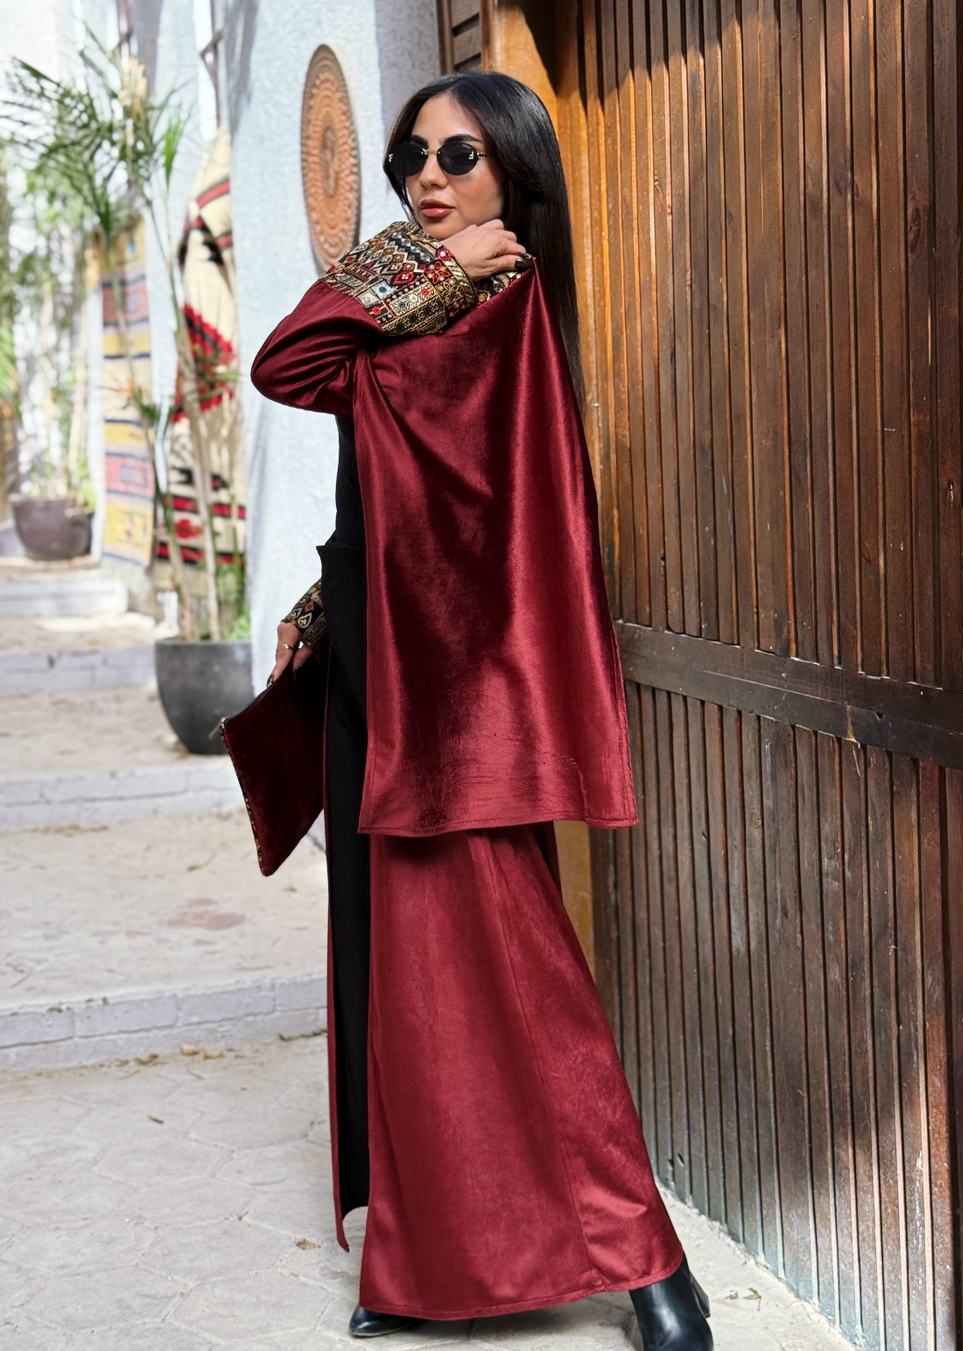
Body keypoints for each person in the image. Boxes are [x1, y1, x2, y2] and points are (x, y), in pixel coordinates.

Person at [250, 71, 713, 1351]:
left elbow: (293, 361)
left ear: (512, 167)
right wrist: (327, 600)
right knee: (414, 983)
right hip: (387, 675)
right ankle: (428, 1268)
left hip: (456, 705)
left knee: (516, 971)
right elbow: (371, 453)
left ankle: (651, 1265)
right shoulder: (433, 303)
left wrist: (418, 266)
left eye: (458, 156)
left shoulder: (494, 304)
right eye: (411, 159)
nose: (426, 179)